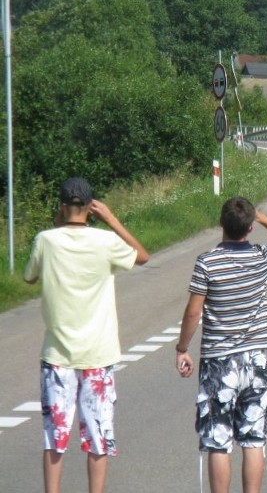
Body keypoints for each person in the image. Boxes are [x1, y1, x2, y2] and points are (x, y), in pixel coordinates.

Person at [23, 177, 150, 493]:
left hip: (57, 355)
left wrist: (55, 225)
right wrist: (111, 219)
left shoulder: (45, 240)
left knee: (55, 436)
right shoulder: (104, 242)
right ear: (91, 208)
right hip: (98, 353)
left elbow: (30, 277)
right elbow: (142, 255)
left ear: (62, 206)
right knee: (97, 436)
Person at [175, 196, 267, 493]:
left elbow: (194, 311)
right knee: (254, 438)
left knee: (219, 440)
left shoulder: (207, 263)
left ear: (221, 223)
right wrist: (266, 219)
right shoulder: (261, 256)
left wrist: (182, 348)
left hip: (219, 361)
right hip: (255, 360)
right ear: (250, 227)